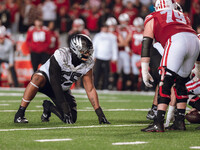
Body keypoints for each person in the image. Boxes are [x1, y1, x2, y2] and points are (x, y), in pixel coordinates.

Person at [14, 34, 110, 125]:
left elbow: (90, 89)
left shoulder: (88, 63)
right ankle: (20, 113)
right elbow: (54, 81)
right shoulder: (61, 55)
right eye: (84, 51)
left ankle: (49, 107)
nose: (87, 54)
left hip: (62, 88)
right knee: (37, 78)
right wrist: (64, 107)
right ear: (75, 49)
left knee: (71, 118)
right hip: (47, 81)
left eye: (89, 51)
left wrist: (99, 113)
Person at [141, 0, 200, 132]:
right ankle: (179, 121)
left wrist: (144, 70)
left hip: (176, 40)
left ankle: (158, 122)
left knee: (165, 80)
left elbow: (146, 43)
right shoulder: (183, 16)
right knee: (181, 82)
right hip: (194, 41)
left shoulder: (153, 16)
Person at [93, 23, 118, 90]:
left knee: (107, 73)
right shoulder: (98, 36)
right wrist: (93, 56)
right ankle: (95, 86)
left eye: (106, 27)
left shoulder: (112, 36)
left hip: (107, 57)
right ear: (101, 28)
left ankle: (105, 87)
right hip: (99, 56)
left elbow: (114, 47)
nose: (105, 29)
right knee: (97, 72)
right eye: (104, 27)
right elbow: (94, 46)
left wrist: (114, 57)